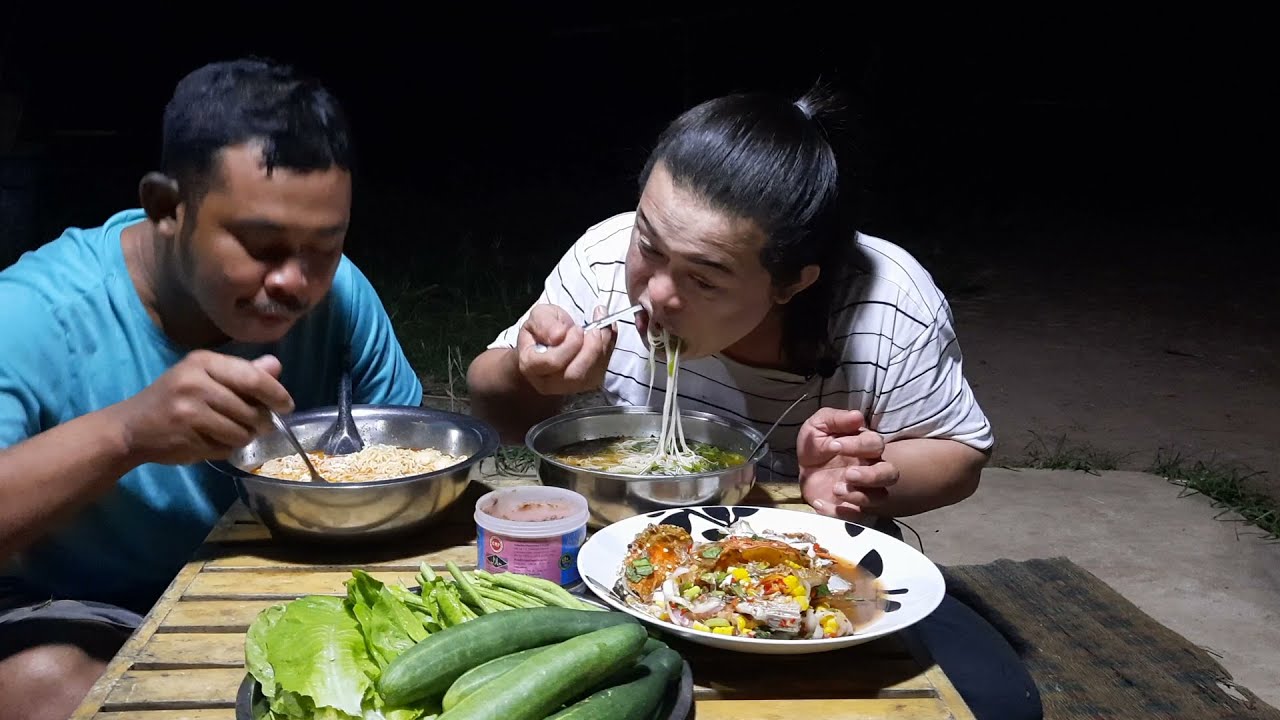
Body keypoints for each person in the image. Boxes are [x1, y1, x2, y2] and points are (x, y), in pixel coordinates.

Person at [466, 84, 1042, 719]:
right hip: (611, 570)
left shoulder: (887, 301)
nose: (656, 294)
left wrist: (860, 480)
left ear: (792, 283)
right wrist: (529, 374)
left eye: (703, 278)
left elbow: (959, 453)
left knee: (1002, 702)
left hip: (817, 583)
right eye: (649, 245)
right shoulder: (602, 260)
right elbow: (495, 406)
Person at [0, 58, 422, 720]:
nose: (295, 281)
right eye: (261, 245)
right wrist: (128, 433)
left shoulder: (340, 297)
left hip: (283, 582)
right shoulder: (32, 315)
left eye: (324, 245)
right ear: (167, 208)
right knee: (44, 684)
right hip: (84, 608)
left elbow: (411, 470)